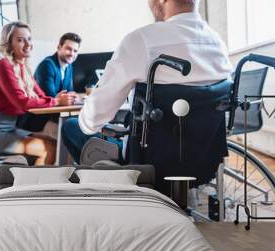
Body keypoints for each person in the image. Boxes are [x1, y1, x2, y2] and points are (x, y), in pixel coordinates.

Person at [62, 0, 232, 164]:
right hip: (205, 158)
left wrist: (88, 120)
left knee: (71, 126)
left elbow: (92, 120)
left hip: (149, 161)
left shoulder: (141, 40)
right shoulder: (218, 45)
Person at [0, 21, 76, 165]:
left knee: (55, 144)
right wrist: (57, 101)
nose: (28, 44)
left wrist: (56, 99)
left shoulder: (24, 68)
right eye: (21, 40)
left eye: (29, 39)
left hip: (10, 129)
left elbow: (42, 96)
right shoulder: (3, 66)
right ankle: (38, 186)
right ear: (9, 44)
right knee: (49, 149)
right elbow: (22, 102)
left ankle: (39, 184)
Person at [34, 33, 82, 98]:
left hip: (58, 107)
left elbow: (70, 93)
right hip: (43, 107)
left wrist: (74, 98)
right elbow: (49, 98)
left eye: (75, 51)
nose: (72, 54)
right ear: (59, 48)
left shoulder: (69, 67)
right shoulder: (47, 65)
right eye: (68, 49)